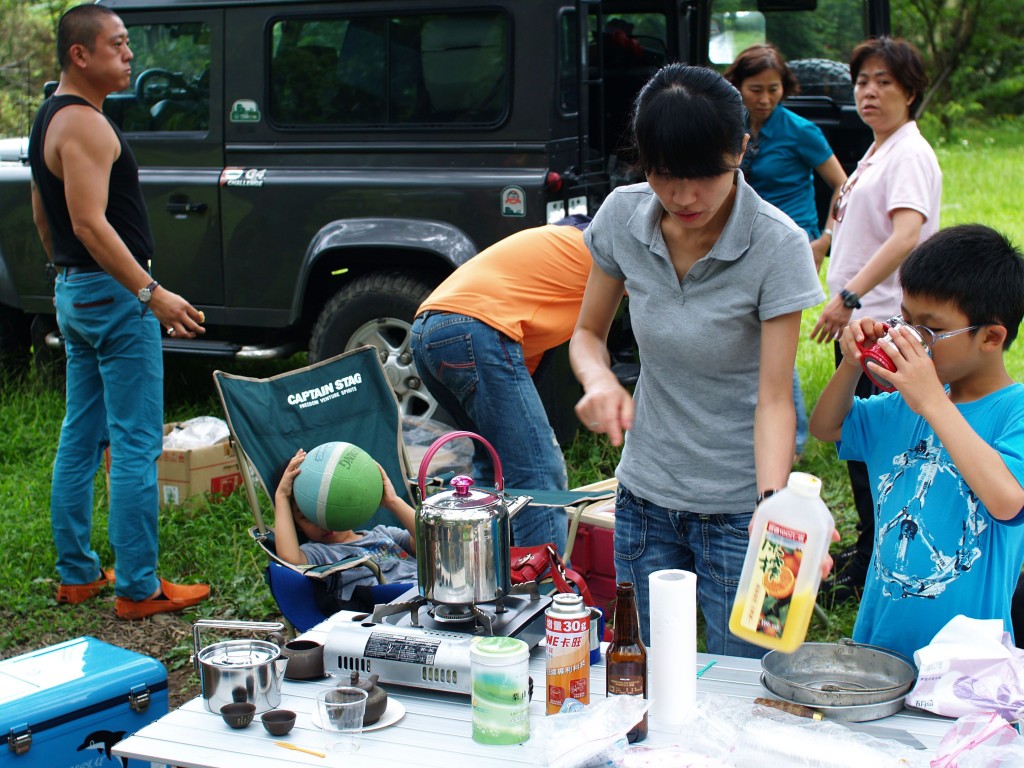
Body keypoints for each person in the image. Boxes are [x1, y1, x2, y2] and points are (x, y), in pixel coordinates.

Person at [569, 64, 825, 657]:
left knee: (752, 681)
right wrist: (599, 378)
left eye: (705, 175)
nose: (683, 197)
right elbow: (586, 333)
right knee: (649, 674)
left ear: (740, 149)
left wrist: (773, 516)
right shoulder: (621, 217)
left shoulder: (778, 244)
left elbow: (776, 398)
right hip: (645, 500)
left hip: (743, 510)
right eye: (664, 174)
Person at [29, 4, 208, 619]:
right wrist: (149, 293)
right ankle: (138, 587)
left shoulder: (50, 115)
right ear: (81, 54)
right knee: (135, 445)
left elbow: (43, 213)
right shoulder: (85, 124)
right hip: (113, 296)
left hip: (77, 292)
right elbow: (87, 221)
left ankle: (78, 575)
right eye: (118, 44)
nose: (129, 55)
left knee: (81, 436)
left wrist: (67, 276)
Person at [808, 224, 1024, 660]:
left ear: (991, 337)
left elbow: (1008, 502)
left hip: (967, 667)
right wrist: (851, 365)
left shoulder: (1013, 410)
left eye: (928, 331)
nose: (909, 339)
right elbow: (827, 427)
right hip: (880, 645)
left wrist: (932, 402)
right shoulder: (903, 404)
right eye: (905, 320)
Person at [810, 37, 942, 603]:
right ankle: (868, 556)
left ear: (910, 92)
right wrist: (818, 248)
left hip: (884, 326)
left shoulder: (908, 152)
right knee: (864, 451)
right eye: (863, 80)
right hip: (866, 325)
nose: (869, 91)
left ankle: (872, 564)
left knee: (876, 452)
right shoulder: (876, 150)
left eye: (884, 81)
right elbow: (852, 228)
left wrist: (849, 297)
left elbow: (906, 236)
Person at [410, 216, 593, 556]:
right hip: (474, 326)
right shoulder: (604, 244)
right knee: (537, 473)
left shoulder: (556, 255)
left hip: (426, 332)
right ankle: (546, 593)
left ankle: (481, 574)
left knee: (492, 462)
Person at [725, 43, 848, 459]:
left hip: (791, 243)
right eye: (755, 89)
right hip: (741, 241)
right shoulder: (730, 127)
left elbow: (844, 186)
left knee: (770, 337)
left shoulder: (800, 131)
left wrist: (825, 239)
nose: (764, 99)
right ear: (737, 86)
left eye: (773, 89)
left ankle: (790, 445)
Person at [272, 449, 418, 608]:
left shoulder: (384, 534)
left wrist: (393, 501)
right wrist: (282, 497)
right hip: (389, 612)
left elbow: (432, 541)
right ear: (298, 527)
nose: (323, 522)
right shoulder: (318, 554)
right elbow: (290, 559)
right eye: (308, 516)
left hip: (432, 596)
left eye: (330, 508)